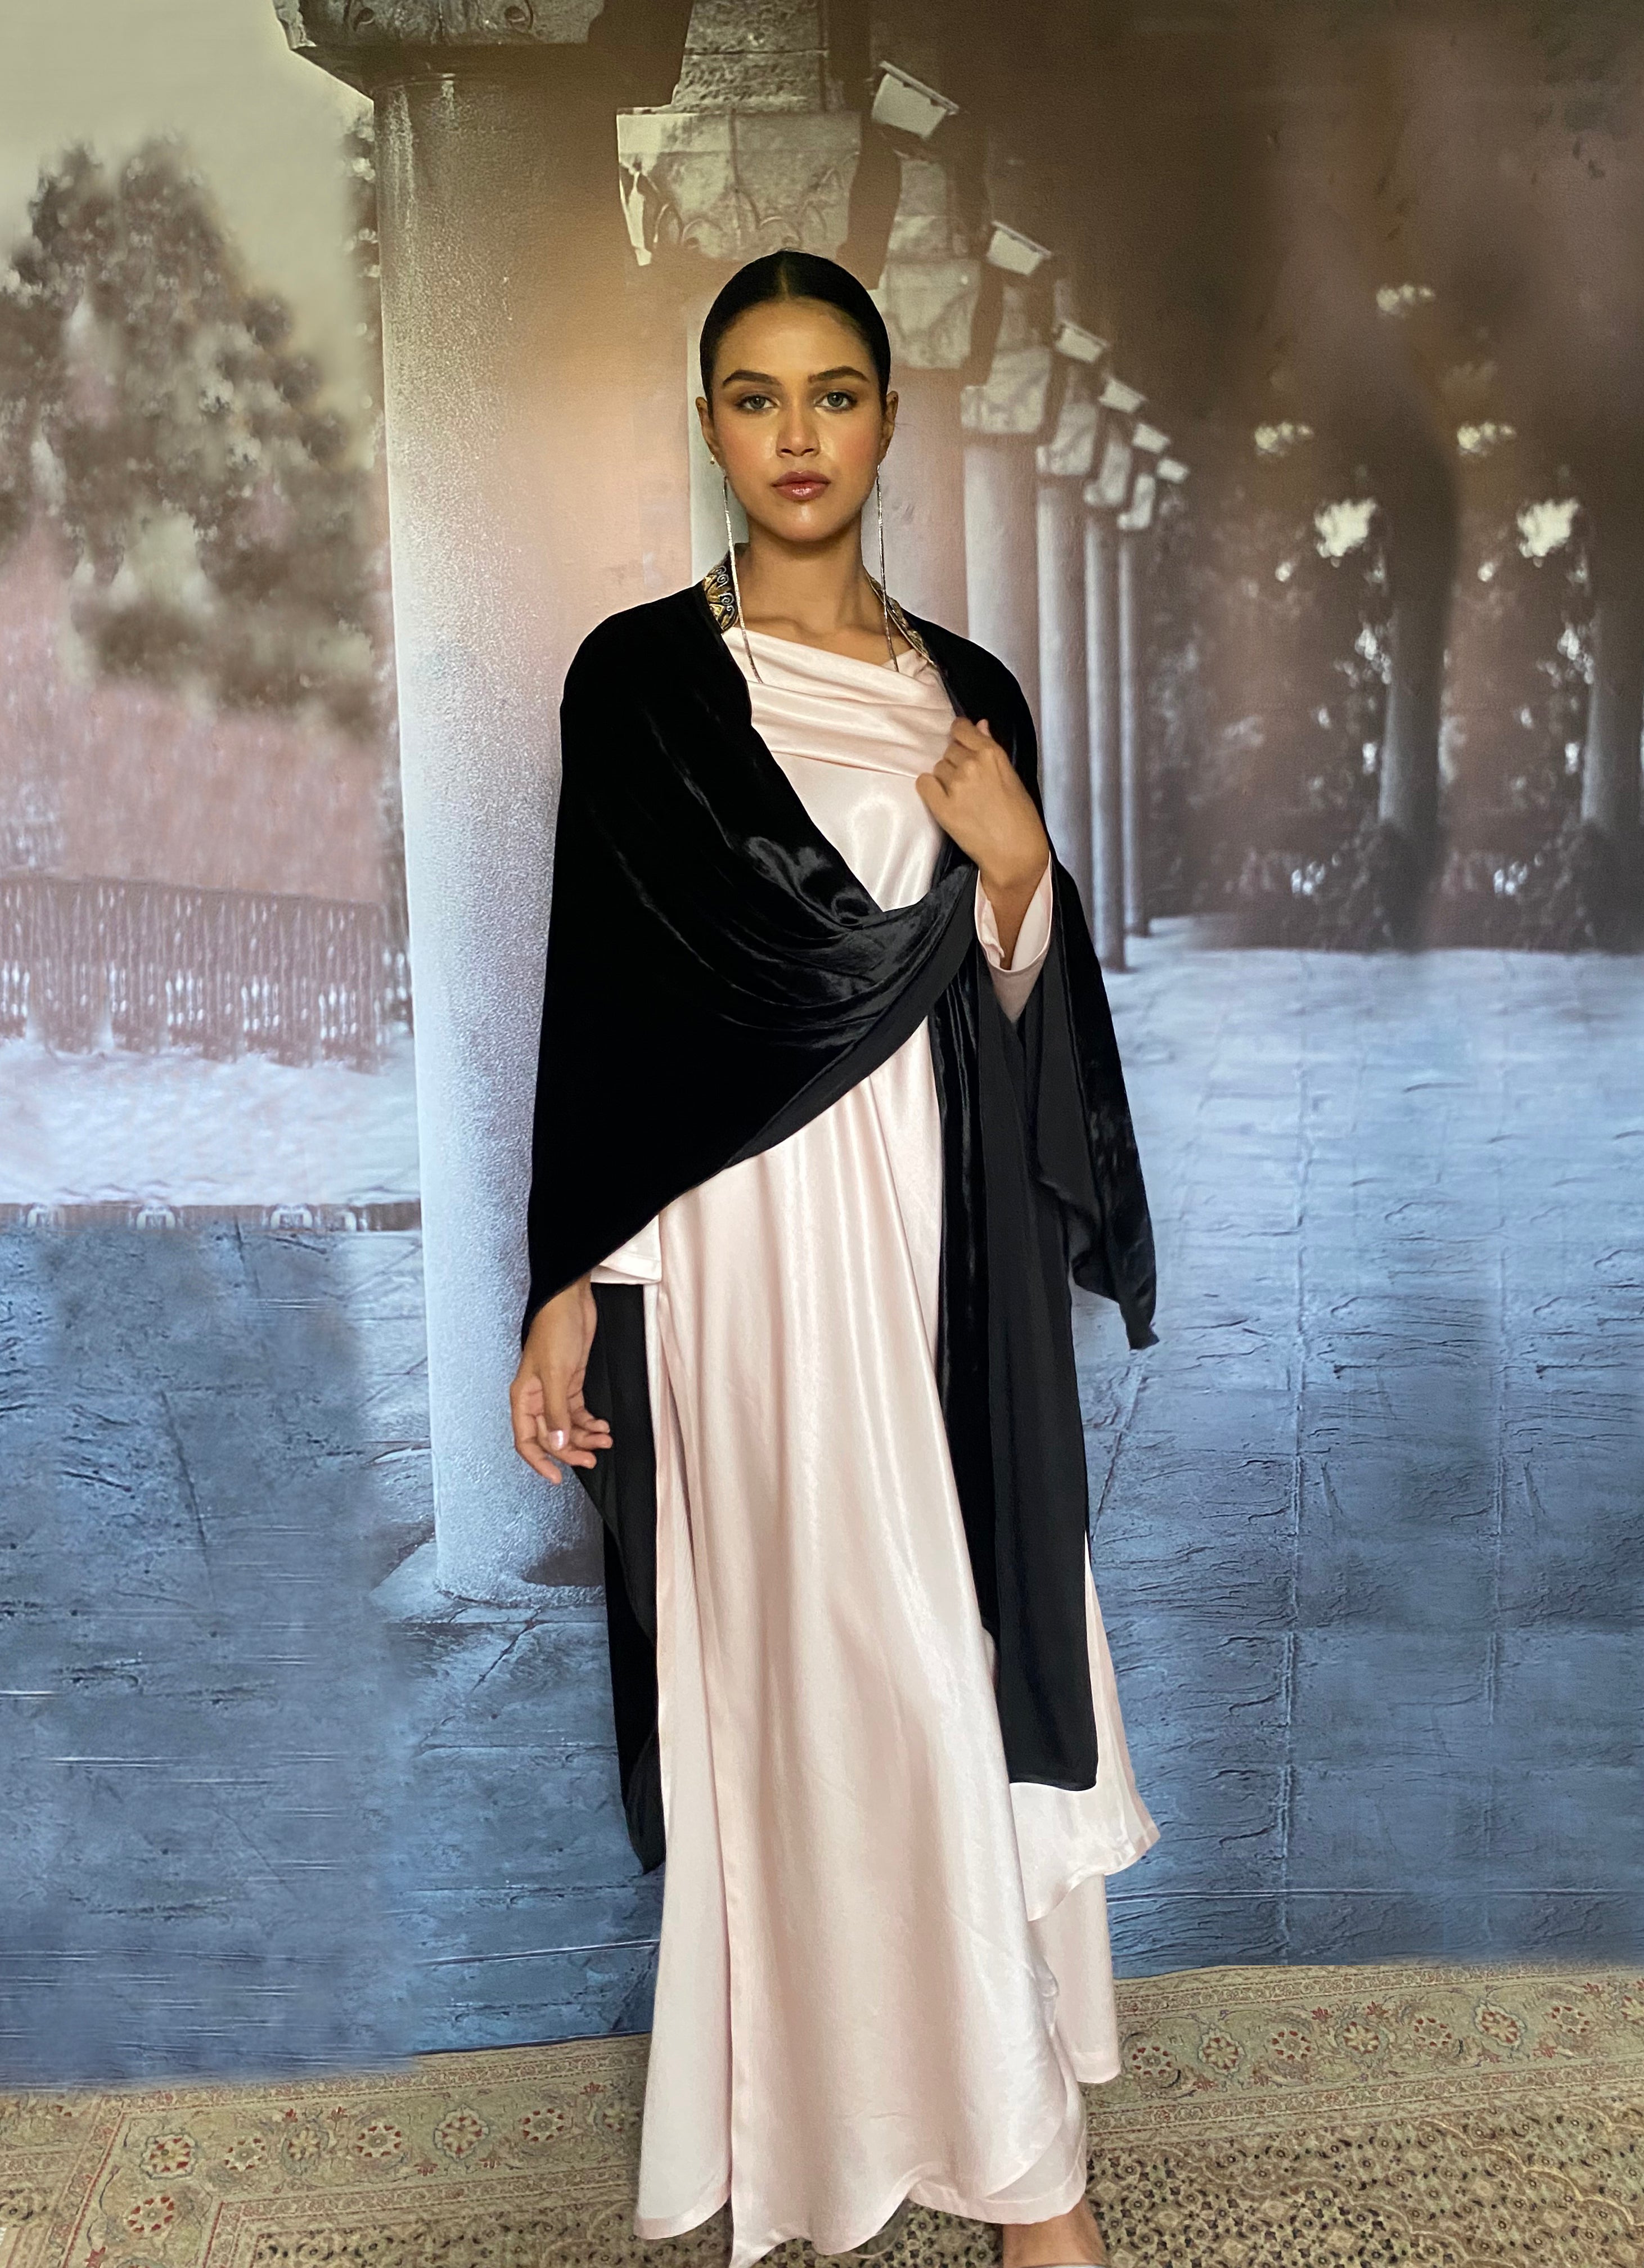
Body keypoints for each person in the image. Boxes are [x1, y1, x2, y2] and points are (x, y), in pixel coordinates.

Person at [508, 248, 1160, 2268]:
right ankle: (834, 2130)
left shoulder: (971, 697)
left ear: (889, 417)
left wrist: (1020, 871)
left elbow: (1023, 1024)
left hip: (929, 1260)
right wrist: (564, 1284)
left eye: (837, 394)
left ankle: (1024, 2175)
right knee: (800, 1692)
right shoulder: (634, 684)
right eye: (755, 395)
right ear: (710, 423)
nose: (798, 436)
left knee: (930, 1664)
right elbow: (603, 1020)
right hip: (729, 1272)